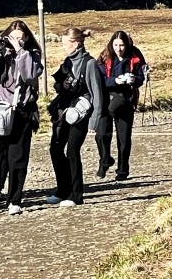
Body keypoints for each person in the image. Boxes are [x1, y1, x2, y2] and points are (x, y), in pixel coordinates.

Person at [0, 20, 43, 216]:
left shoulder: (32, 55)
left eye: (20, 38)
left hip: (22, 111)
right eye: (13, 38)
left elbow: (30, 75)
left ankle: (14, 199)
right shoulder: (2, 53)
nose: (16, 41)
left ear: (27, 38)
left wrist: (21, 51)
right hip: (0, 109)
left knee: (17, 158)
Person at [47, 27, 106, 208]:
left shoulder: (90, 64)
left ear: (76, 44)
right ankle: (63, 190)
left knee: (72, 151)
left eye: (65, 44)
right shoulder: (67, 61)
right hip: (65, 110)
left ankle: (76, 194)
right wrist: (62, 85)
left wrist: (94, 121)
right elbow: (57, 84)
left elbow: (97, 94)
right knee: (55, 149)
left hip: (81, 114)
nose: (63, 47)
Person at [97, 30, 146, 182]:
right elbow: (99, 79)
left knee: (124, 138)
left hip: (126, 100)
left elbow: (141, 78)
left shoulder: (134, 57)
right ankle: (105, 159)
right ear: (111, 44)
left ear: (127, 45)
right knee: (101, 134)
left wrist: (134, 80)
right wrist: (114, 81)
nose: (119, 49)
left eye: (122, 45)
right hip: (106, 100)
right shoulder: (104, 57)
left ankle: (123, 170)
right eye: (116, 45)